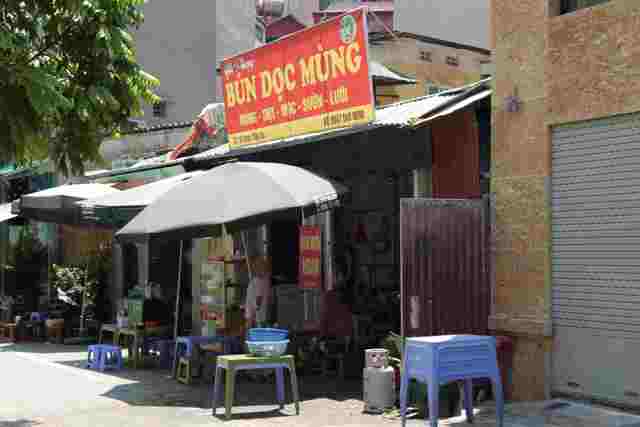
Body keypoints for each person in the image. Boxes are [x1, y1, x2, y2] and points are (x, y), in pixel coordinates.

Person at [244, 256, 272, 329]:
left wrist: (252, 317)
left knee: (254, 333)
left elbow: (258, 299)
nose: (253, 269)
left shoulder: (257, 281)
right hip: (262, 315)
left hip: (255, 316)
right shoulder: (266, 280)